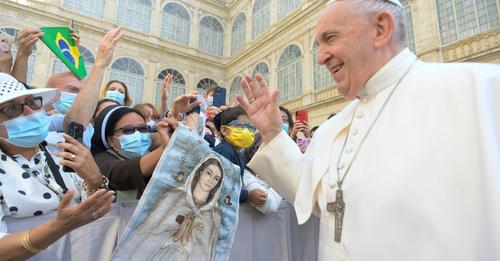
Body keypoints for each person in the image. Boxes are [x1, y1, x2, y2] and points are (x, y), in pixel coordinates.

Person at [237, 0, 500, 260]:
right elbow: (316, 198)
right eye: (318, 45)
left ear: (381, 29)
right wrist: (273, 133)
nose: (320, 57)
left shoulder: (481, 91)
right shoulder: (332, 129)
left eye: (330, 38)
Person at [0, 72, 115, 260]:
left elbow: (96, 208)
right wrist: (58, 227)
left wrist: (95, 179)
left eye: (32, 102)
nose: (30, 112)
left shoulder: (62, 144)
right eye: (12, 108)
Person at [115, 157, 224, 261]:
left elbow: (206, 253)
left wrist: (188, 244)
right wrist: (174, 238)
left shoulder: (214, 216)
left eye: (216, 178)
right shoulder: (173, 196)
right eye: (208, 173)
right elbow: (146, 234)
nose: (210, 181)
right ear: (200, 172)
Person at [214, 107, 261, 205]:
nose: (247, 131)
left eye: (250, 127)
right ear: (224, 130)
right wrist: (248, 195)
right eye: (240, 126)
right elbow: (219, 187)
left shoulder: (238, 153)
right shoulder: (224, 151)